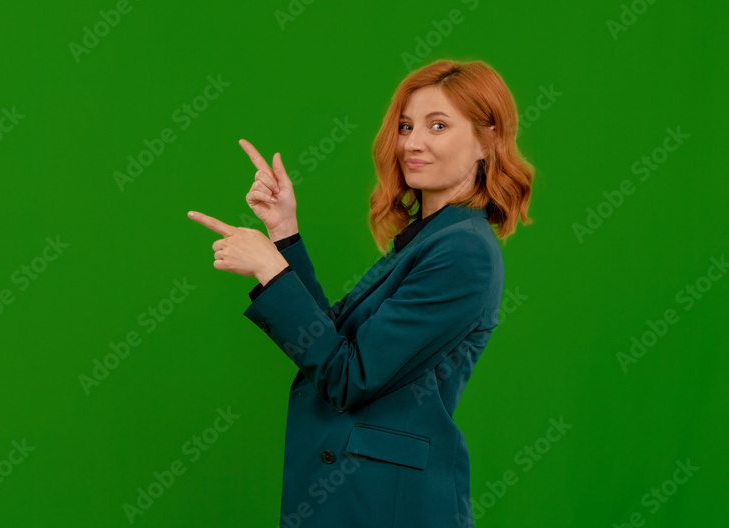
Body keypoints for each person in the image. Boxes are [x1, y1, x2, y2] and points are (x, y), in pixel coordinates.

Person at [188, 58, 533, 527]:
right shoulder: (429, 237)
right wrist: (284, 232)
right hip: (360, 499)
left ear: (487, 141)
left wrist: (271, 269)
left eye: (438, 125)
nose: (412, 143)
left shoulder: (463, 251)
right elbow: (332, 341)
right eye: (406, 126)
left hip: (387, 506)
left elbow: (348, 377)